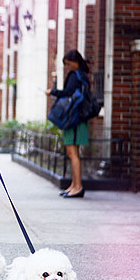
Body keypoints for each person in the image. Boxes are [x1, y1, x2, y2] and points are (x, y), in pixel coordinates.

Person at [46, 49, 90, 198]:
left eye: (69, 64)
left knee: (73, 153)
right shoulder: (82, 75)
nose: (68, 67)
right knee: (72, 153)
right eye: (66, 64)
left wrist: (52, 92)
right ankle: (73, 185)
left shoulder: (75, 75)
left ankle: (78, 187)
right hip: (77, 118)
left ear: (76, 62)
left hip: (74, 119)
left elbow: (68, 92)